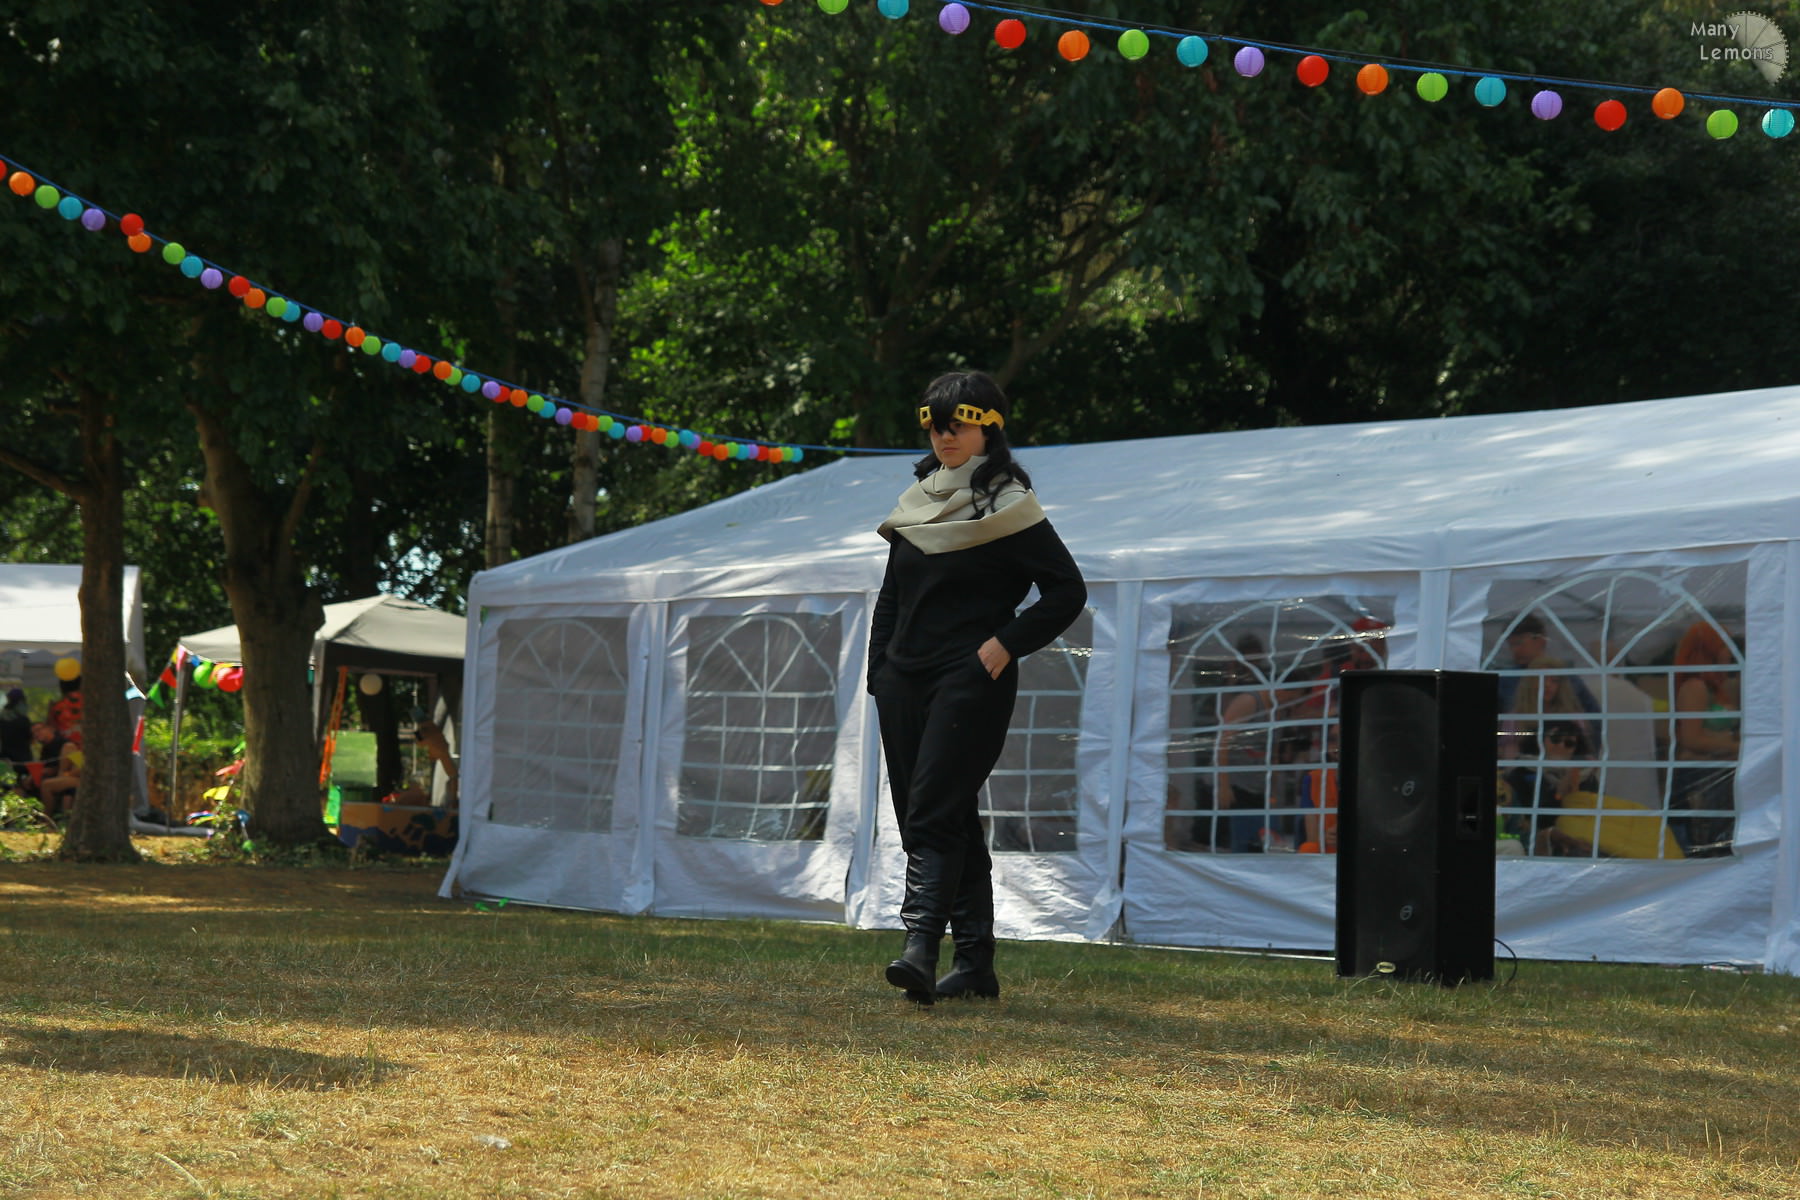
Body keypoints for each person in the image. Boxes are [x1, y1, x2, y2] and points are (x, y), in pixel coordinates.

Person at [867, 370, 1086, 1004]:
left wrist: (1003, 644)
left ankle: (919, 947)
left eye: (956, 425)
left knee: (933, 809)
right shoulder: (917, 502)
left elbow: (1066, 590)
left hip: (969, 678)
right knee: (942, 813)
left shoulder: (1010, 506)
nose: (944, 436)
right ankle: (975, 966)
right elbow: (892, 596)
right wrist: (880, 671)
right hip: (904, 679)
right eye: (934, 426)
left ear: (988, 427)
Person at [1669, 621, 1739, 857]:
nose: (1730, 651)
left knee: (1721, 842)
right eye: (1724, 645)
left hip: (1717, 777)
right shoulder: (1695, 687)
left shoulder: (1716, 688)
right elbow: (1691, 738)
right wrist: (1736, 746)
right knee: (1706, 846)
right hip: (1699, 779)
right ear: (1709, 648)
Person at [1, 687, 32, 788]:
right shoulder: (23, 720)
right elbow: (30, 738)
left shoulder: (2, 718)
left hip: (5, 758)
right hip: (23, 760)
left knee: (7, 786)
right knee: (23, 786)